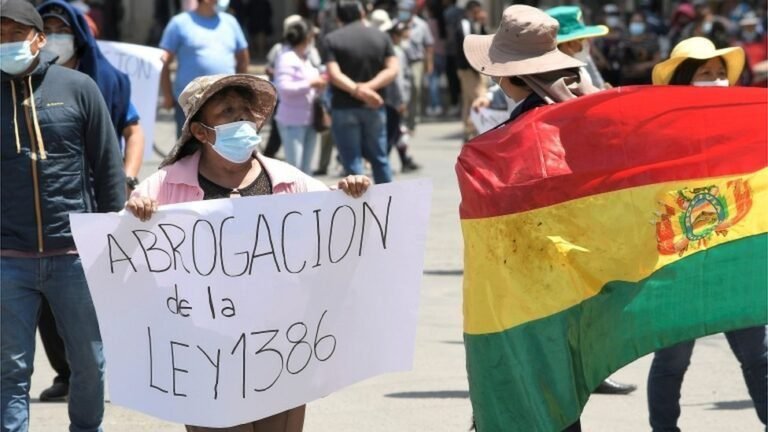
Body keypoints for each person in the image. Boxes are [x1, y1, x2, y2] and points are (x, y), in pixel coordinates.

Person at [125, 73, 371, 432]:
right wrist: (138, 213)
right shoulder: (165, 185)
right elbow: (124, 252)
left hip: (279, 350)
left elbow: (336, 228)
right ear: (201, 131)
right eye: (226, 111)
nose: (240, 119)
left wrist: (350, 194)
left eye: (245, 110)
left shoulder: (287, 179)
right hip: (204, 355)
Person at [463, 5, 600, 430]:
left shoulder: (510, 140)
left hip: (527, 287)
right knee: (561, 393)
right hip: (578, 277)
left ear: (508, 76)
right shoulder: (579, 117)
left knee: (527, 393)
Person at [1, 1, 126, 431]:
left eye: (15, 34)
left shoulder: (78, 87)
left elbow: (107, 165)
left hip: (75, 253)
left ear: (38, 38)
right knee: (10, 370)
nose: (7, 43)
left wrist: (113, 242)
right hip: (7, 258)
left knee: (89, 362)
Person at [649, 36, 767, 432]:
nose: (715, 81)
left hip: (733, 255)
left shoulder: (743, 125)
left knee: (758, 354)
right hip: (682, 259)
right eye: (704, 74)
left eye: (720, 74)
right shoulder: (659, 132)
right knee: (672, 359)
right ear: (684, 79)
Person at [31, 0, 146, 403]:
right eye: (45, 28)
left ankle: (103, 368)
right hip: (44, 204)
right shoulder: (22, 80)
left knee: (97, 289)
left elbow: (132, 129)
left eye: (60, 29)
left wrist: (128, 177)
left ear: (77, 35)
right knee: (46, 289)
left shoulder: (106, 79)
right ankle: (66, 372)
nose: (52, 37)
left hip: (98, 197)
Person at [323, 0, 398, 184]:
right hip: (375, 105)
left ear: (339, 18)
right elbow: (392, 69)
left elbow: (334, 74)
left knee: (352, 161)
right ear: (362, 13)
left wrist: (357, 90)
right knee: (380, 159)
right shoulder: (381, 36)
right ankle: (390, 204)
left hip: (344, 107)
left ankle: (360, 208)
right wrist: (369, 88)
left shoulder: (332, 39)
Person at [159, 0, 249, 137]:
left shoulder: (231, 22)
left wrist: (240, 89)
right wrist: (167, 95)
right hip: (190, 104)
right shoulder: (179, 23)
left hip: (226, 101)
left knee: (225, 150)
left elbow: (243, 58)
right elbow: (163, 61)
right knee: (189, 151)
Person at [274, 19, 326, 174]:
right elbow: (283, 88)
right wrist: (311, 84)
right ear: (306, 37)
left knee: (306, 171)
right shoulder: (287, 58)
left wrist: (319, 86)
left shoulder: (305, 57)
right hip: (292, 121)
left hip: (309, 119)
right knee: (295, 170)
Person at [398, 0, 434, 132]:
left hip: (416, 61)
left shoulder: (421, 25)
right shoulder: (397, 24)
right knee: (401, 90)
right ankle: (400, 121)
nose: (403, 12)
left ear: (413, 11)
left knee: (415, 88)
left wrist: (429, 63)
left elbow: (429, 45)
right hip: (400, 62)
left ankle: (411, 122)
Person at [455, 0, 487, 141]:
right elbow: (469, 45)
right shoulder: (465, 24)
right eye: (477, 12)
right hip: (468, 69)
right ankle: (474, 129)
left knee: (469, 100)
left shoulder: (476, 24)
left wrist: (481, 25)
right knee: (479, 96)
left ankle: (469, 129)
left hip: (475, 68)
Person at [620, 11, 661, 85]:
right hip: (627, 80)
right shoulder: (624, 40)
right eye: (634, 21)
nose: (636, 24)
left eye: (639, 22)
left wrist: (643, 66)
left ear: (644, 24)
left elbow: (657, 60)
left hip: (646, 80)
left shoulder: (651, 39)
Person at [424, 0, 446, 117]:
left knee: (433, 82)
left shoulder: (429, 23)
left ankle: (435, 105)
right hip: (443, 53)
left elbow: (428, 43)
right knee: (437, 81)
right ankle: (437, 105)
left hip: (433, 54)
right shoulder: (442, 21)